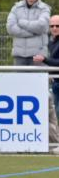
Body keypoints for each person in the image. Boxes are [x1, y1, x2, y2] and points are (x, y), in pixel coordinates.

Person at [6, 0, 50, 65]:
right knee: (19, 78)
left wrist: (22, 23)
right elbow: (10, 28)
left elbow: (41, 26)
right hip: (19, 56)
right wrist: (34, 33)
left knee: (37, 78)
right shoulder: (16, 8)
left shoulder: (44, 8)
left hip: (38, 56)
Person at [33, 14, 59, 154]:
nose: (54, 28)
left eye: (57, 26)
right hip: (55, 83)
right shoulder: (51, 42)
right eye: (52, 26)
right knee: (55, 113)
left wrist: (44, 59)